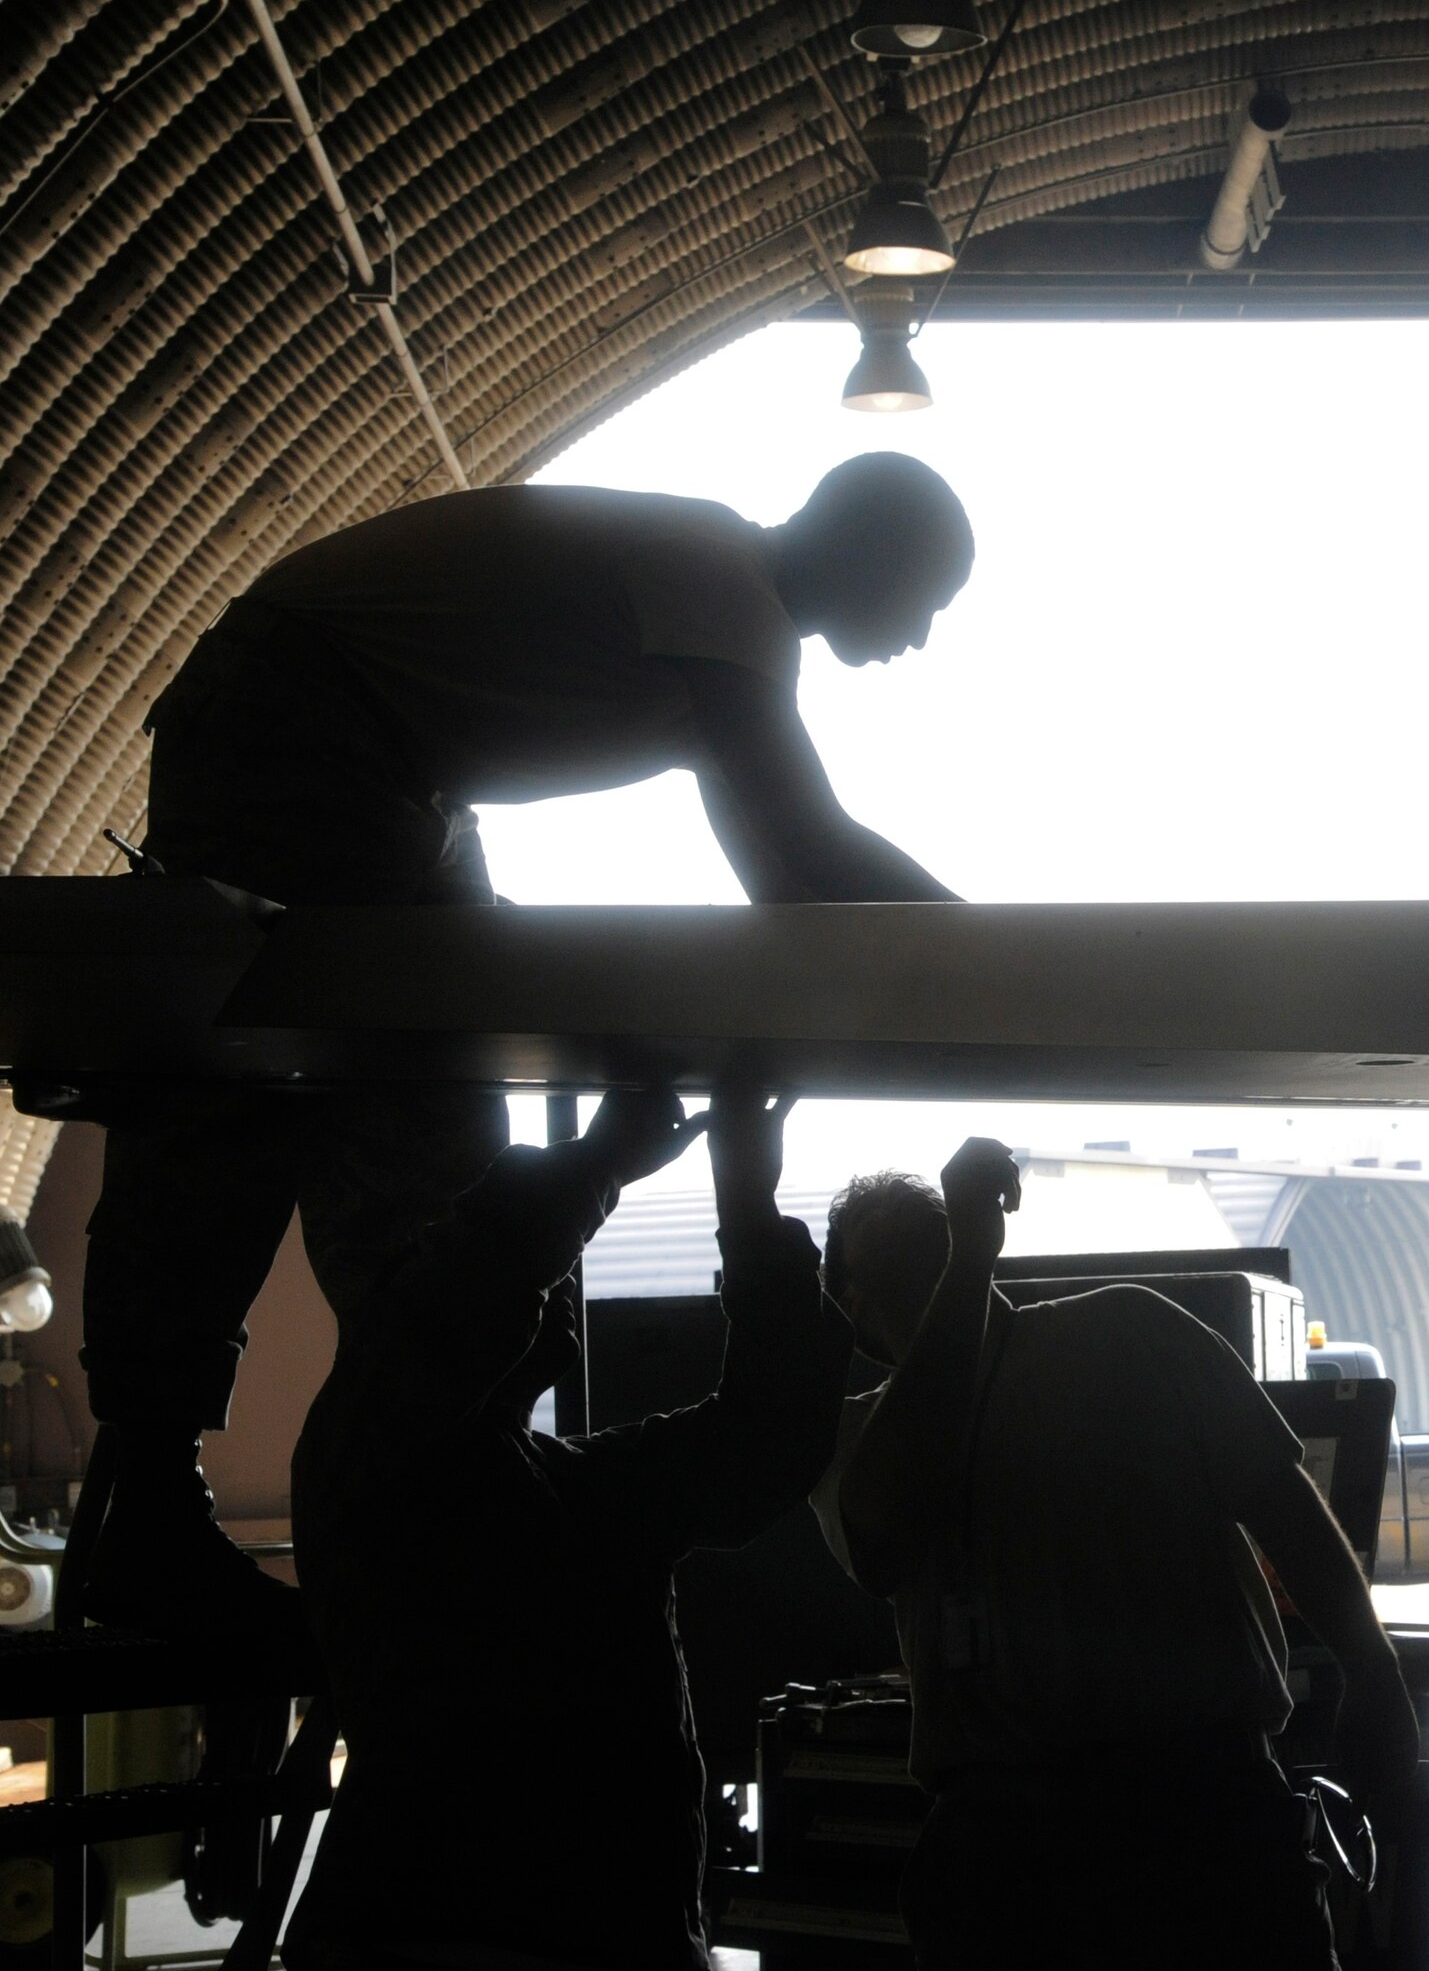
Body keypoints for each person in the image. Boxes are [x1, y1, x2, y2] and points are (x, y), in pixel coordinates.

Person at [79, 452, 971, 1634]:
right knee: (244, 1098)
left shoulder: (719, 594)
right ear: (869, 548)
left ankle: (422, 1459)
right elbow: (796, 854)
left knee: (435, 1109)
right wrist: (999, 959)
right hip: (302, 719)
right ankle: (155, 1508)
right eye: (922, 601)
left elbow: (785, 863)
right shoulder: (730, 596)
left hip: (391, 763)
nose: (916, 638)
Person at [279, 1084, 853, 1971]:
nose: (559, 1279)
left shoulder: (540, 1485)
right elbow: (465, 1288)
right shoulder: (377, 1451)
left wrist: (743, 1203)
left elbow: (765, 1437)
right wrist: (603, 1166)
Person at [810, 1138, 1421, 1970]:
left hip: (1128, 1824)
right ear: (850, 1307)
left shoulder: (1133, 1331)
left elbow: (1283, 1510)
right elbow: (884, 1539)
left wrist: (1372, 1669)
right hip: (1125, 1827)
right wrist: (966, 1267)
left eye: (934, 1249)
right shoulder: (862, 1441)